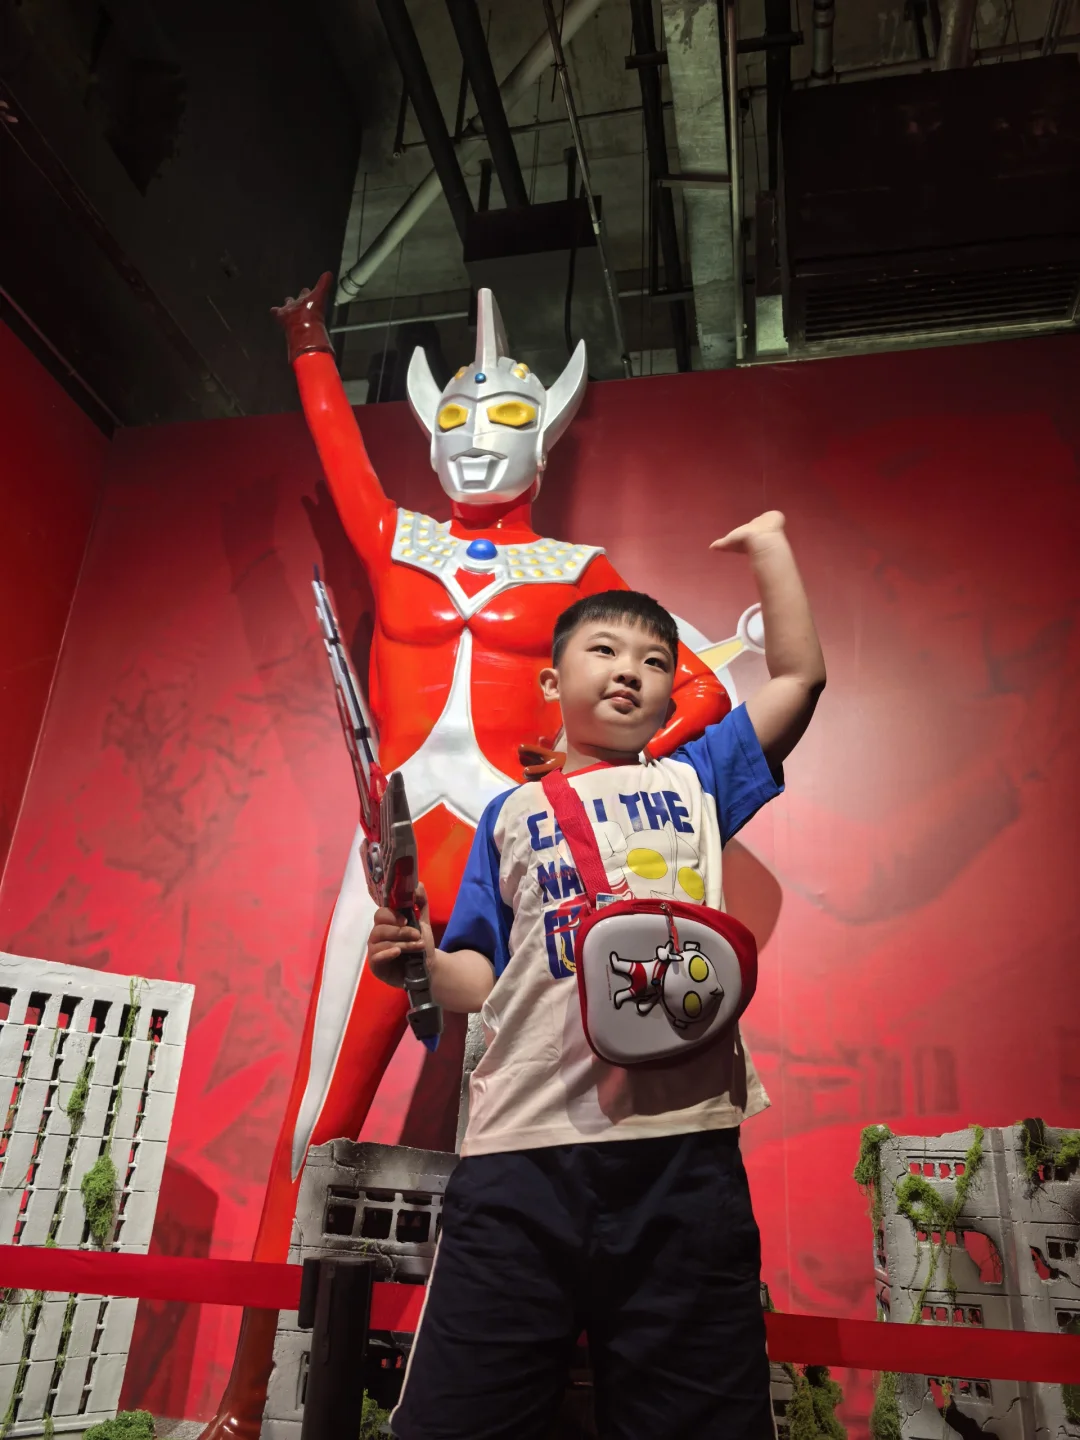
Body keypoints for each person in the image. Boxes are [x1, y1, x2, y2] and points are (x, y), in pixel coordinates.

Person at [368, 509, 826, 1439]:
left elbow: (797, 678)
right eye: (604, 651)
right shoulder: (508, 816)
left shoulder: (699, 781)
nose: (629, 671)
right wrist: (421, 959)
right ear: (552, 681)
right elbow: (479, 978)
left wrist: (771, 543)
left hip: (683, 1156)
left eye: (655, 662)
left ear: (669, 693)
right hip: (520, 1155)